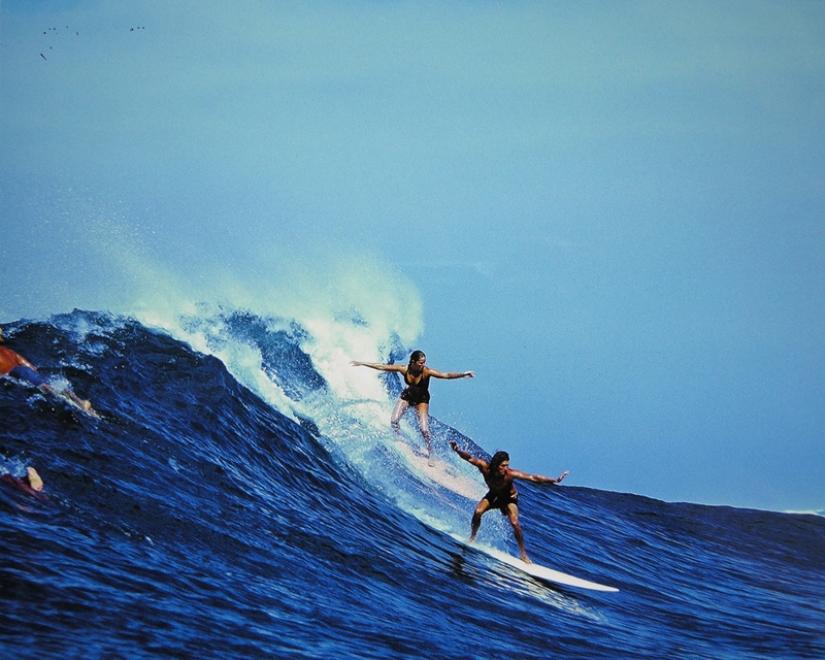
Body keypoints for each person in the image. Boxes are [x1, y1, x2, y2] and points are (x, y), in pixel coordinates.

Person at [450, 440, 568, 563]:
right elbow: (468, 458)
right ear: (496, 465)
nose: (506, 468)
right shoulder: (484, 467)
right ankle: (472, 538)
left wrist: (555, 480)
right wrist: (457, 450)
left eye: (507, 465)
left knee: (515, 523)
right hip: (494, 495)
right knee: (478, 511)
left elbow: (533, 477)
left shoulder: (510, 474)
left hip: (509, 499)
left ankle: (523, 555)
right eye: (503, 465)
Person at [351, 350, 474, 462]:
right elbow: (382, 366)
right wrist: (362, 363)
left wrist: (463, 374)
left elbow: (445, 375)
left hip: (422, 400)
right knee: (394, 421)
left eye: (424, 362)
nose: (423, 365)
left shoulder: (427, 372)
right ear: (413, 362)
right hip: (408, 397)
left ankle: (431, 453)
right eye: (420, 363)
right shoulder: (404, 369)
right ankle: (399, 438)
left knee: (424, 429)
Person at [0, 330, 98, 418]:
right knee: (47, 386)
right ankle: (77, 399)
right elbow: (32, 368)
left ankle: (78, 404)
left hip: (18, 373)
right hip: (25, 371)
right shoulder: (9, 352)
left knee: (48, 390)